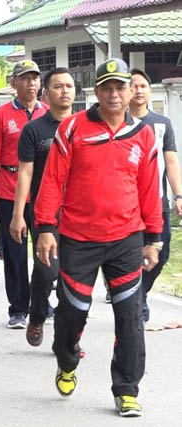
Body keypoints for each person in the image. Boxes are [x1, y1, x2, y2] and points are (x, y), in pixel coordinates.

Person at [35, 58, 162, 417]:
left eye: (121, 87)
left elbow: (149, 189)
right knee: (71, 315)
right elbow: (53, 180)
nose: (115, 94)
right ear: (97, 92)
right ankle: (67, 359)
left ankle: (127, 389)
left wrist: (153, 238)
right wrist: (45, 227)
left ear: (131, 90)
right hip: (78, 238)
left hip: (126, 239)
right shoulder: (73, 128)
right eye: (107, 87)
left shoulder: (143, 134)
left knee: (130, 316)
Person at [9, 68, 75, 346]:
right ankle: (36, 314)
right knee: (47, 270)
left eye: (69, 86)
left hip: (79, 213)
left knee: (74, 277)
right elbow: (25, 173)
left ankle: (69, 335)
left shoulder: (84, 126)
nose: (65, 91)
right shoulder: (34, 130)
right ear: (46, 93)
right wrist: (17, 215)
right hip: (45, 211)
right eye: (58, 86)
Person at [0, 59, 49, 329]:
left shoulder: (48, 112)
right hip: (10, 191)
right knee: (15, 253)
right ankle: (18, 308)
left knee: (46, 253)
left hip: (45, 194)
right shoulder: (2, 115)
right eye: (25, 78)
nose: (31, 83)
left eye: (35, 78)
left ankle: (42, 303)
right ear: (14, 83)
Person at [128, 68, 182, 323]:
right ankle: (135, 300)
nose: (138, 90)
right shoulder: (120, 123)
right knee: (132, 254)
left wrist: (179, 196)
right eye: (134, 86)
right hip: (126, 204)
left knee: (161, 255)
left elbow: (171, 162)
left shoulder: (162, 123)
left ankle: (140, 293)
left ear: (150, 91)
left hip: (156, 203)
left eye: (143, 86)